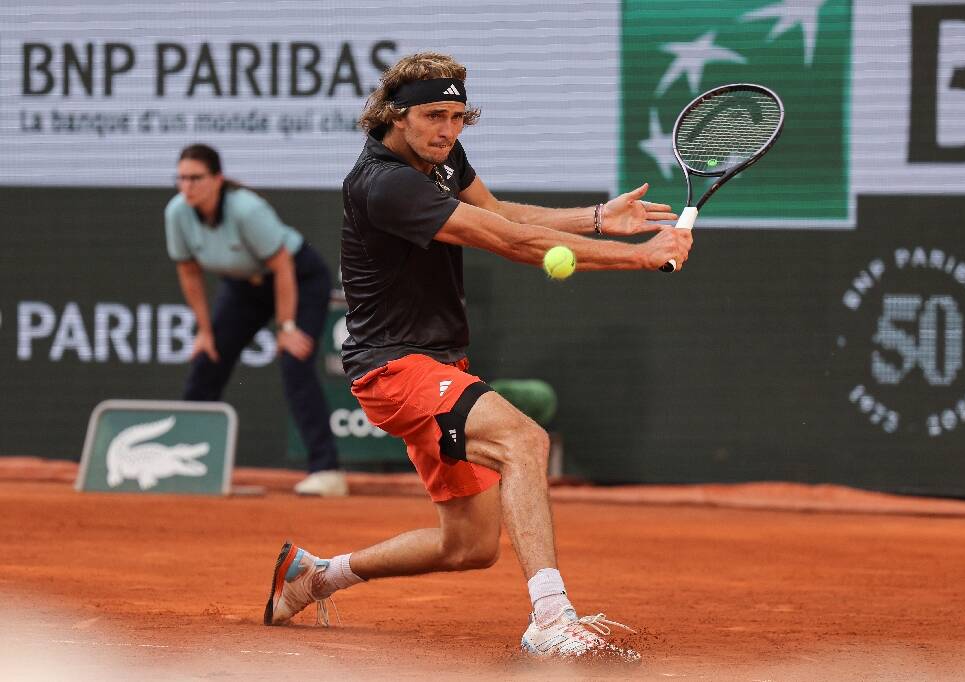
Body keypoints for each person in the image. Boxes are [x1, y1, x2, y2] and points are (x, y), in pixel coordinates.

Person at [263, 53, 692, 659]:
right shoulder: (383, 184)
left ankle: (315, 576)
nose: (447, 130)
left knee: (469, 544)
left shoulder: (440, 160)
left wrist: (599, 219)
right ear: (394, 114)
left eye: (459, 117)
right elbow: (509, 240)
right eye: (434, 115)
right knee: (525, 440)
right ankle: (550, 617)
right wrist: (640, 256)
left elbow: (496, 212)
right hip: (392, 367)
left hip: (437, 363)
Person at [165, 143, 348, 497]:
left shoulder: (247, 209)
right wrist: (204, 332)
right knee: (208, 359)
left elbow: (282, 267)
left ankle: (327, 471)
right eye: (181, 178)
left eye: (196, 178)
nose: (187, 186)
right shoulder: (176, 213)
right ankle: (188, 465)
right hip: (242, 288)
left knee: (295, 362)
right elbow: (188, 273)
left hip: (299, 278)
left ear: (217, 179)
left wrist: (287, 328)